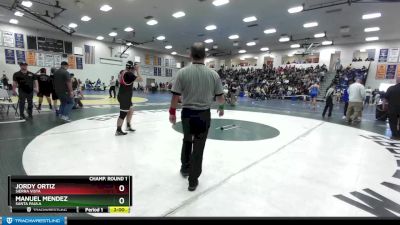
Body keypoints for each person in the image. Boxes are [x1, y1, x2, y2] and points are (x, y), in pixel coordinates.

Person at [169, 42, 225, 192]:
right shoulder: (213, 74)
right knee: (198, 147)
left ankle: (185, 168)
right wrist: (221, 107)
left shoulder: (182, 73)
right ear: (205, 56)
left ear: (190, 55)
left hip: (187, 114)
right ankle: (193, 181)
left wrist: (172, 113)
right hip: (203, 115)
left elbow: (175, 96)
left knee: (187, 140)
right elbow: (220, 97)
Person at [116, 61, 143, 136]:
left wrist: (133, 68)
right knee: (123, 114)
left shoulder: (123, 72)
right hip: (125, 97)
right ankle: (118, 130)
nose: (134, 69)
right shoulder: (129, 74)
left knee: (131, 110)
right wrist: (137, 70)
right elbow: (141, 79)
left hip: (123, 95)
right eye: (133, 68)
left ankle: (128, 126)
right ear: (131, 68)